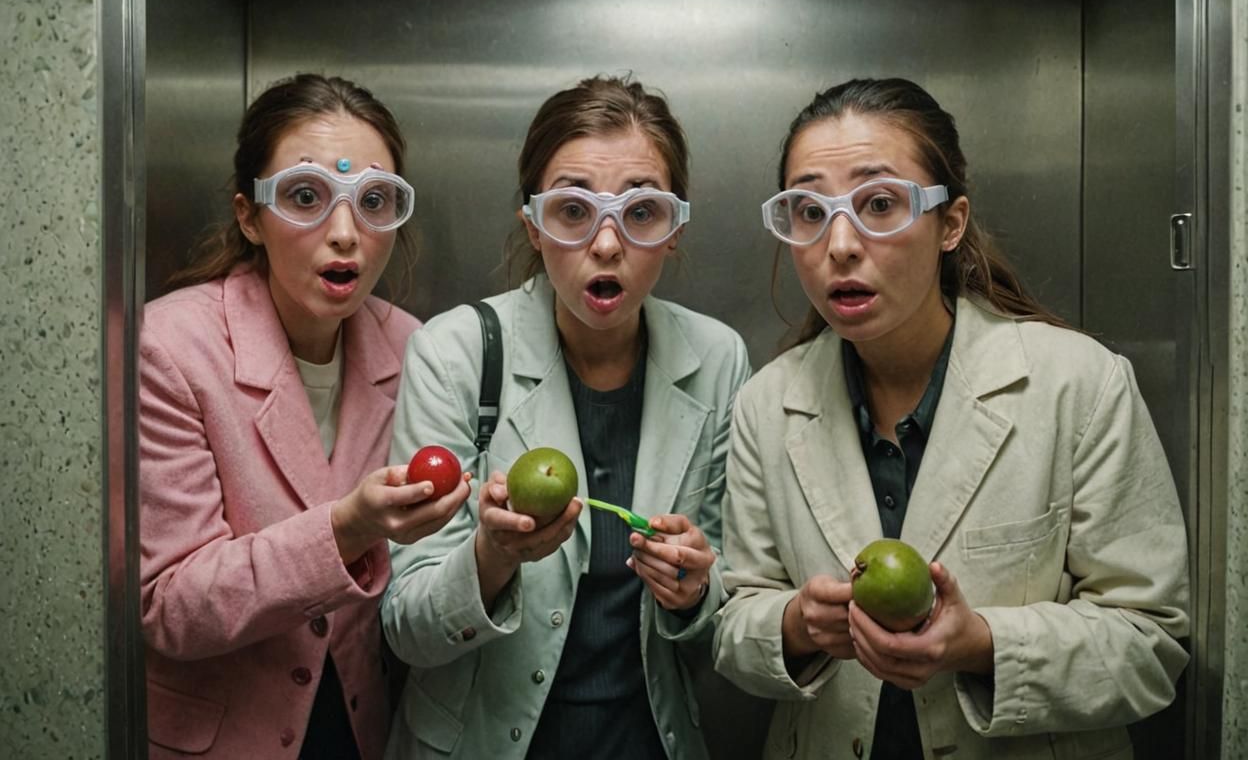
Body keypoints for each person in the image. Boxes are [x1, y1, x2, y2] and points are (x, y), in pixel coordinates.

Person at [712, 77, 1190, 759]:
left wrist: (983, 645)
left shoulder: (1077, 385)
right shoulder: (767, 403)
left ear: (951, 223)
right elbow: (734, 622)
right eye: (810, 211)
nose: (839, 244)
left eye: (880, 204)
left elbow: (1151, 641)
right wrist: (795, 625)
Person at [380, 75, 752, 760]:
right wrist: (491, 557)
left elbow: (729, 612)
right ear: (533, 223)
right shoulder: (455, 353)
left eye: (641, 211)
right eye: (572, 210)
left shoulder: (718, 359)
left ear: (674, 230)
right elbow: (407, 626)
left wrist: (695, 589)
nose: (606, 244)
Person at [139, 73, 469, 760]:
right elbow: (169, 606)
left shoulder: (414, 348)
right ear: (249, 216)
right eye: (304, 196)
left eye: (373, 201)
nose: (345, 234)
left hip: (359, 729)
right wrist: (348, 528)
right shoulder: (171, 350)